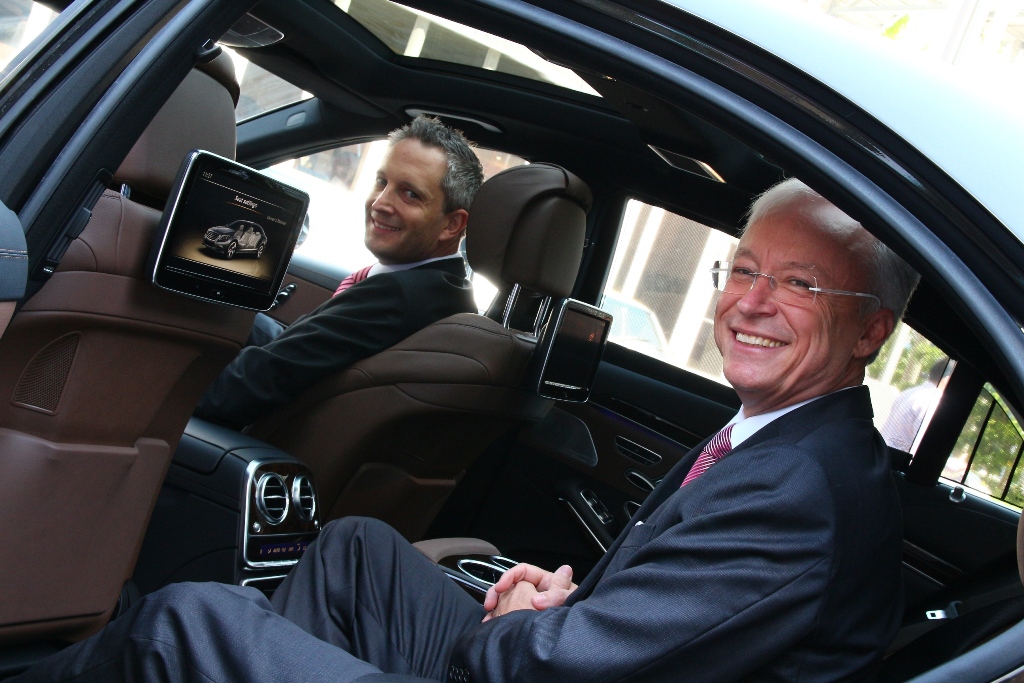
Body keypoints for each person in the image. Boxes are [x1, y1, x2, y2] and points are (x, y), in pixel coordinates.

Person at [14, 178, 919, 683]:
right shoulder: (791, 439)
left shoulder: (799, 491)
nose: (752, 301)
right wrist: (569, 606)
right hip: (557, 659)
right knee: (356, 550)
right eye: (745, 270)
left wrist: (528, 630)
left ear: (871, 329)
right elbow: (674, 626)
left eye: (800, 285)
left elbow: (566, 673)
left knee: (185, 623)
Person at [194, 115, 483, 429]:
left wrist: (166, 391)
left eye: (410, 194)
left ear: (452, 224)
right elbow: (310, 352)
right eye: (381, 182)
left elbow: (257, 381)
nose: (380, 203)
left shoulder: (397, 296)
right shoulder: (444, 292)